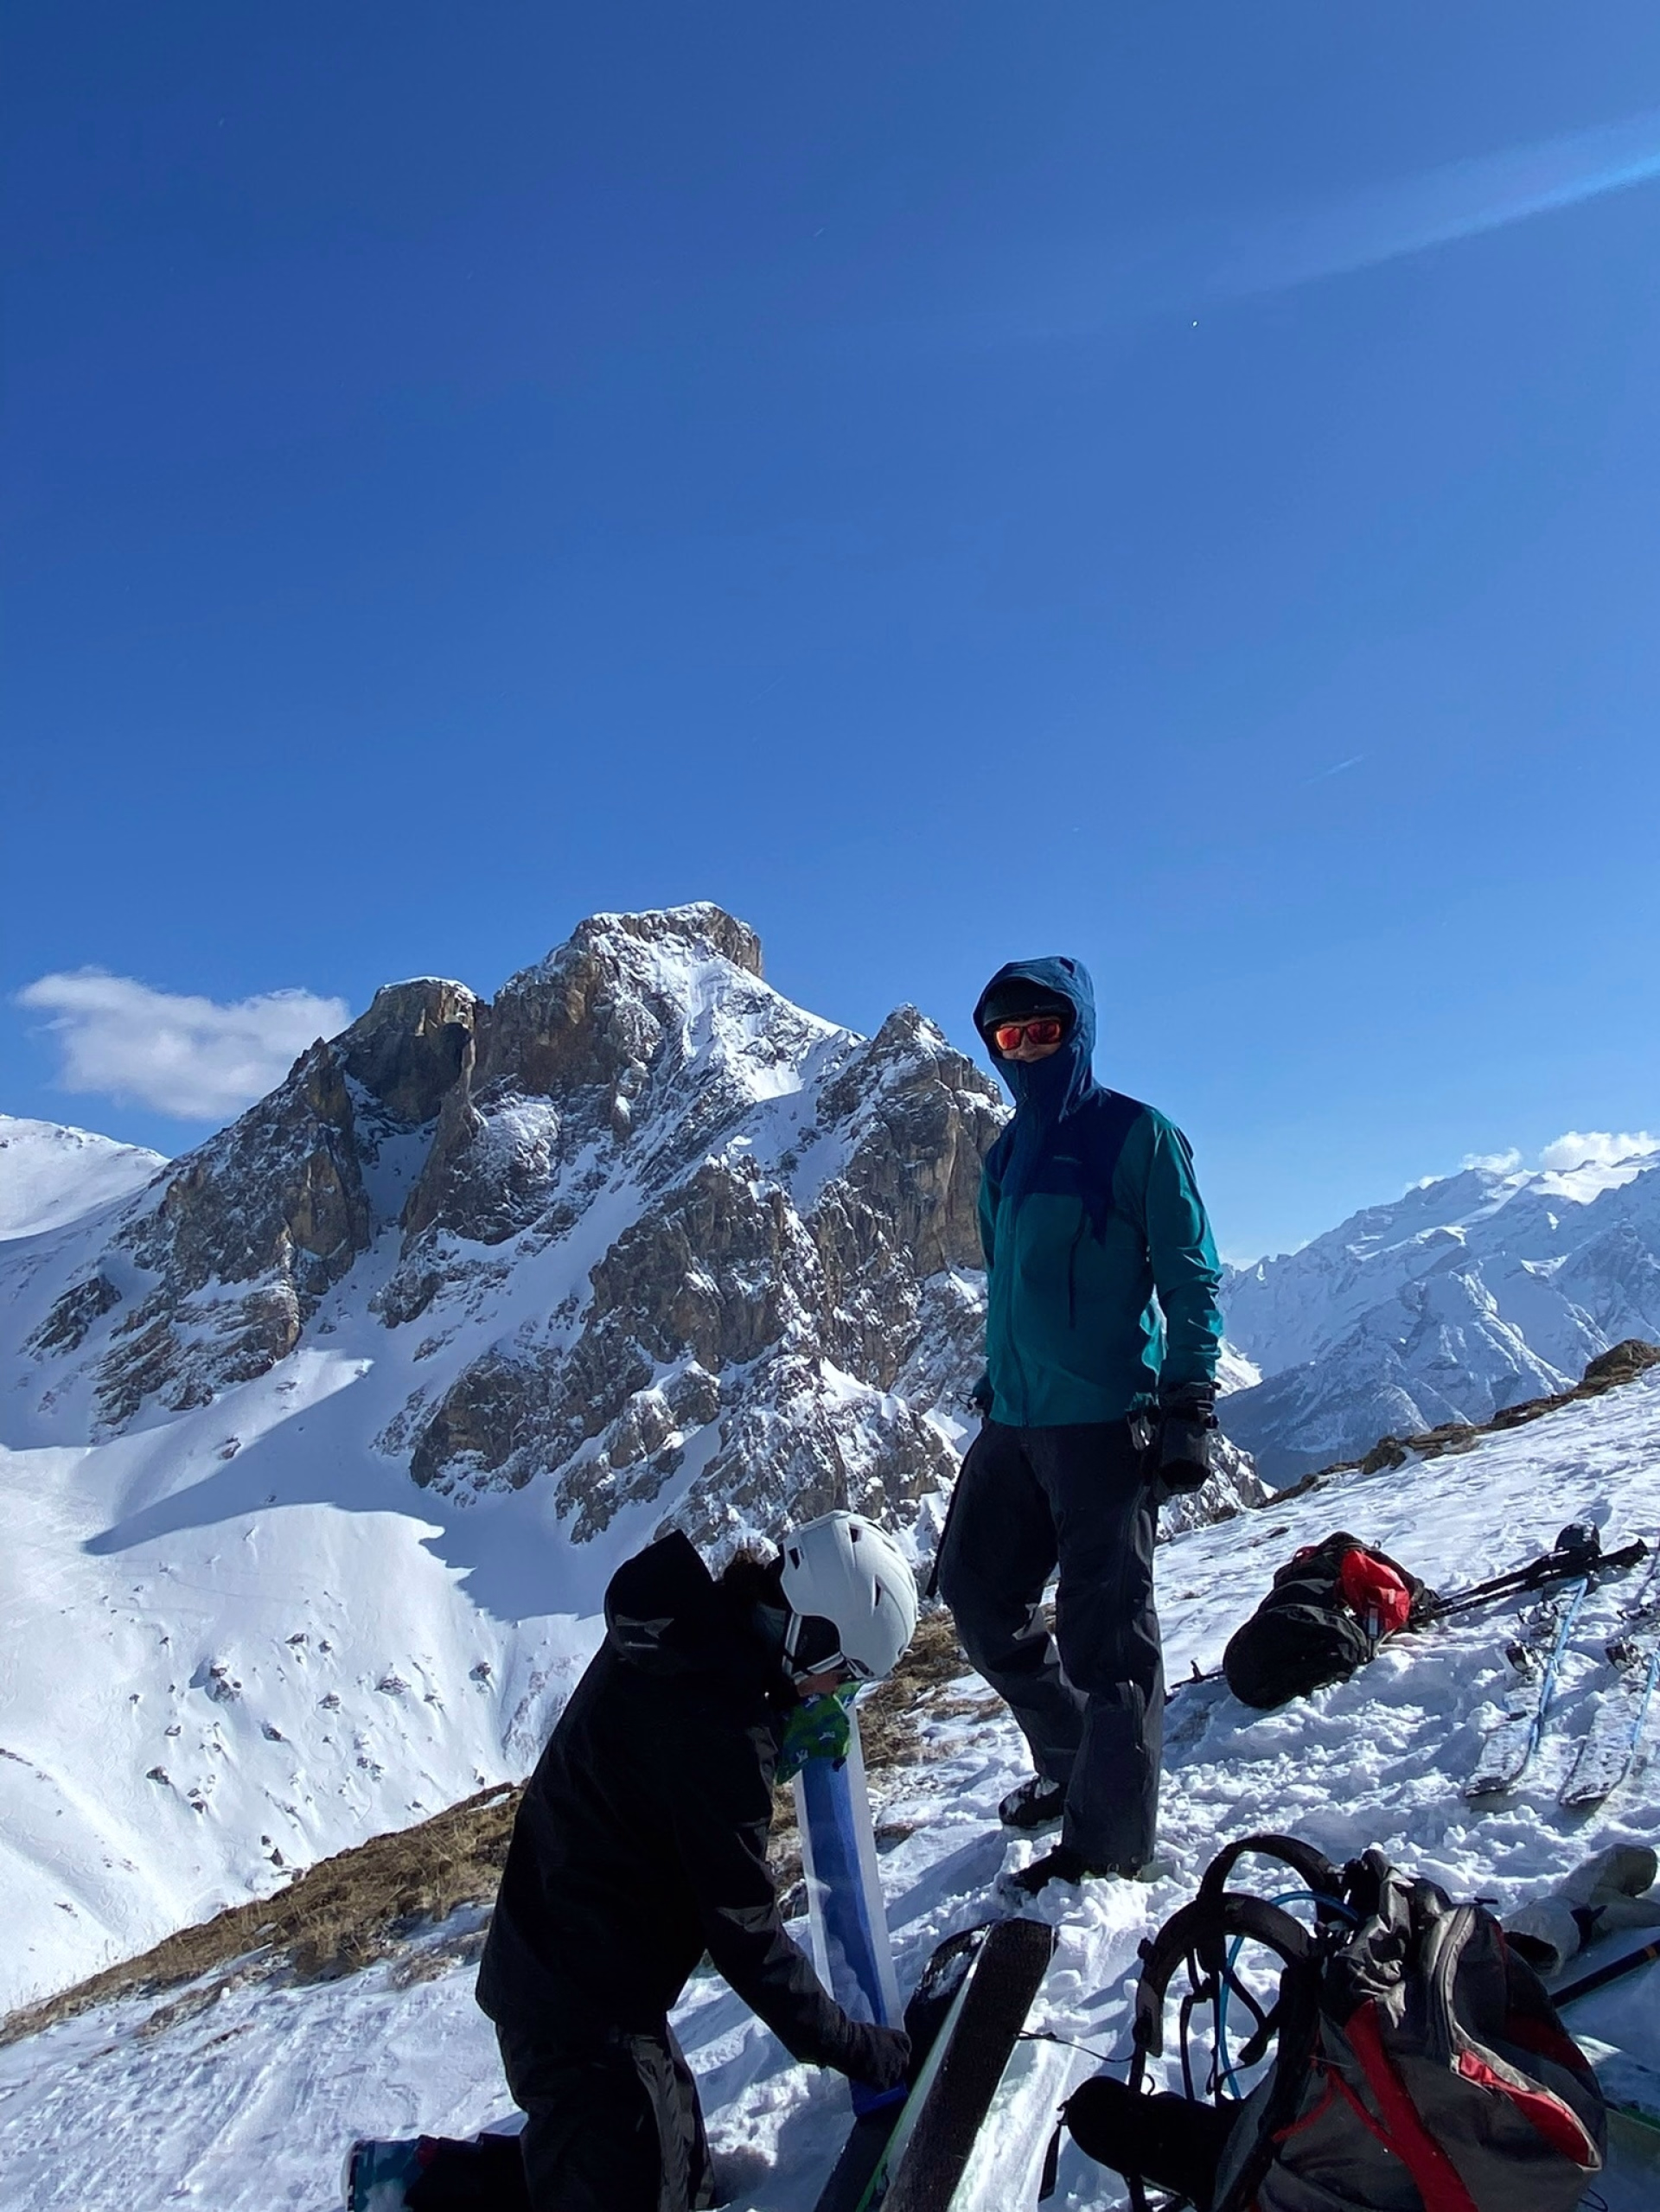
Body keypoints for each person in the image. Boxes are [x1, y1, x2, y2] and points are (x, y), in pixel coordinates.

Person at [474, 1510, 918, 2212]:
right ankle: (420, 2188)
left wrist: (772, 1716)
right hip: (578, 2009)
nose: (837, 1692)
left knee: (676, 2174)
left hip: (571, 1967)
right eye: (844, 1673)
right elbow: (747, 1934)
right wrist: (861, 2049)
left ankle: (429, 2179)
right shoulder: (721, 1725)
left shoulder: (685, 1630)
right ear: (809, 1637)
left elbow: (661, 1771)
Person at [935, 955, 1223, 1895]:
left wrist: (1188, 1401)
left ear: (1078, 1030)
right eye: (1007, 1034)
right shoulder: (1004, 1156)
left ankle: (1111, 1845)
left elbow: (1190, 1275)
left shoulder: (1139, 1136)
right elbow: (1007, 1285)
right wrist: (998, 1384)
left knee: (1110, 1644)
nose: (1024, 1048)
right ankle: (1072, 1765)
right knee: (976, 1593)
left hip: (1104, 1424)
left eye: (1043, 1030)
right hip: (1016, 1421)